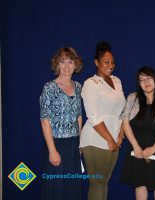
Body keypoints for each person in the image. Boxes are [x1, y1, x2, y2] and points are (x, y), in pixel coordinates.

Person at [80, 41, 125, 200]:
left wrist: (120, 135)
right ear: (96, 62)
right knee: (97, 183)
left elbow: (121, 113)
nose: (110, 65)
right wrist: (109, 140)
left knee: (104, 183)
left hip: (114, 139)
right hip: (96, 139)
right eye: (106, 62)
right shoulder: (90, 84)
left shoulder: (117, 81)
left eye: (112, 62)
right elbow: (93, 116)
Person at [120, 67, 155, 200]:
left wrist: (153, 149)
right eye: (141, 80)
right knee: (140, 184)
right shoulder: (132, 98)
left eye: (148, 78)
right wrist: (136, 146)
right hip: (136, 149)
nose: (145, 82)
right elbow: (125, 123)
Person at [40, 47, 83, 200]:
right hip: (56, 143)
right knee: (56, 187)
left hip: (73, 144)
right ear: (57, 65)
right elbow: (45, 120)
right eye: (62, 62)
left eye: (70, 62)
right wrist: (52, 150)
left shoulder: (78, 87)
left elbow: (79, 116)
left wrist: (80, 144)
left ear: (75, 64)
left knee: (72, 186)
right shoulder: (49, 88)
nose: (66, 66)